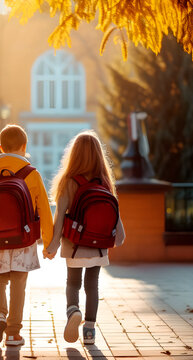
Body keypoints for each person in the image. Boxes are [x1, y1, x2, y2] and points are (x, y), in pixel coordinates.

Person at [0, 124, 53, 347]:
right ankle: (13, 334)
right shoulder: (31, 174)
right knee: (18, 282)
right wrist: (48, 244)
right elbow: (44, 210)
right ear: (24, 146)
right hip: (24, 241)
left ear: (1, 146)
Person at [43, 130, 125, 345]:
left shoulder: (68, 182)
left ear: (74, 155)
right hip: (99, 247)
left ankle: (73, 312)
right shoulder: (104, 181)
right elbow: (115, 215)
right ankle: (89, 332)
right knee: (92, 285)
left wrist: (51, 246)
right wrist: (120, 237)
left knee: (72, 283)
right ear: (99, 155)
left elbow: (59, 217)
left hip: (75, 244)